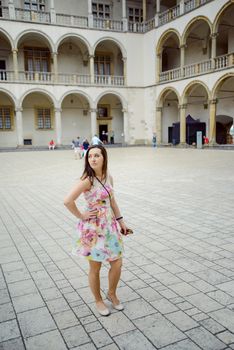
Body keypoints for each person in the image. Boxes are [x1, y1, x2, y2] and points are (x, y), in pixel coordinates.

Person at [64, 145, 129, 316]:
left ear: (104, 158)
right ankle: (98, 300)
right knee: (96, 267)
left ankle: (112, 293)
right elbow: (68, 201)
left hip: (110, 226)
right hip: (93, 229)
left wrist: (121, 221)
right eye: (90, 156)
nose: (92, 159)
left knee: (117, 263)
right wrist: (82, 215)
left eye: (96, 155)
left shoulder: (108, 177)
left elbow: (112, 201)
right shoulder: (87, 180)